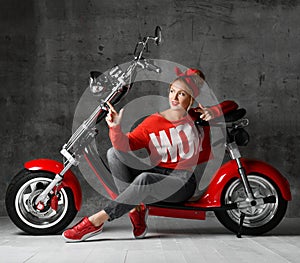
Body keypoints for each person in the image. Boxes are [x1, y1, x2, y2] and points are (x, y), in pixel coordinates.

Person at [62, 67, 238, 242]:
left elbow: (232, 105)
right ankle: (135, 210)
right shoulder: (153, 122)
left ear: (191, 98)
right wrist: (115, 127)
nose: (174, 98)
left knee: (145, 178)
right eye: (172, 91)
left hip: (182, 181)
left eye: (182, 94)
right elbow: (124, 145)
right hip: (158, 173)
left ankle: (96, 221)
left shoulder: (196, 117)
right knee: (114, 153)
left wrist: (212, 112)